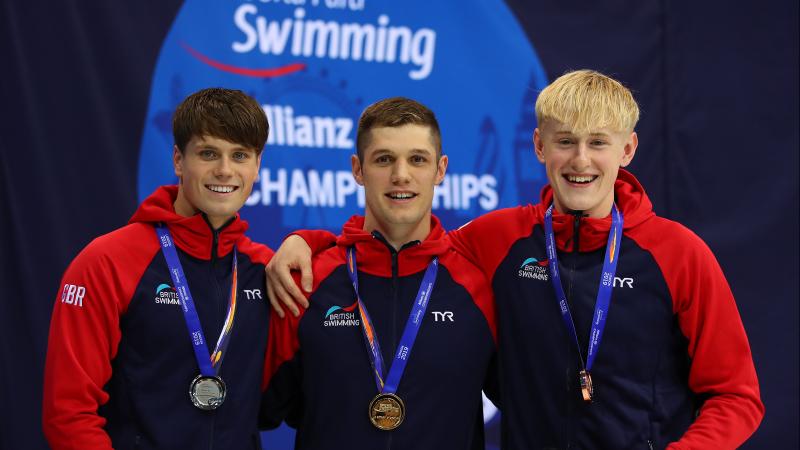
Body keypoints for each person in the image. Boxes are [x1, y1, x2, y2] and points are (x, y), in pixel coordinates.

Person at [266, 71, 764, 449]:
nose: (581, 160)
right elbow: (402, 239)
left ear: (628, 149)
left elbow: (737, 396)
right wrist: (307, 242)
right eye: (566, 141)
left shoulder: (679, 253)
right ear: (539, 146)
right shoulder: (496, 239)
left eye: (598, 143)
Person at [43, 88, 275, 449]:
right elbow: (69, 412)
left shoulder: (264, 268)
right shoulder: (107, 262)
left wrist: (305, 242)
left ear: (257, 166)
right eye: (208, 153)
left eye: (240, 155)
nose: (225, 170)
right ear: (179, 160)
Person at [260, 97, 498, 449]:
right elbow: (259, 409)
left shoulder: (478, 285)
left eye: (417, 159)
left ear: (440, 169)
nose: (401, 174)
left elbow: (533, 405)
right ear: (357, 169)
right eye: (384, 159)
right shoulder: (308, 281)